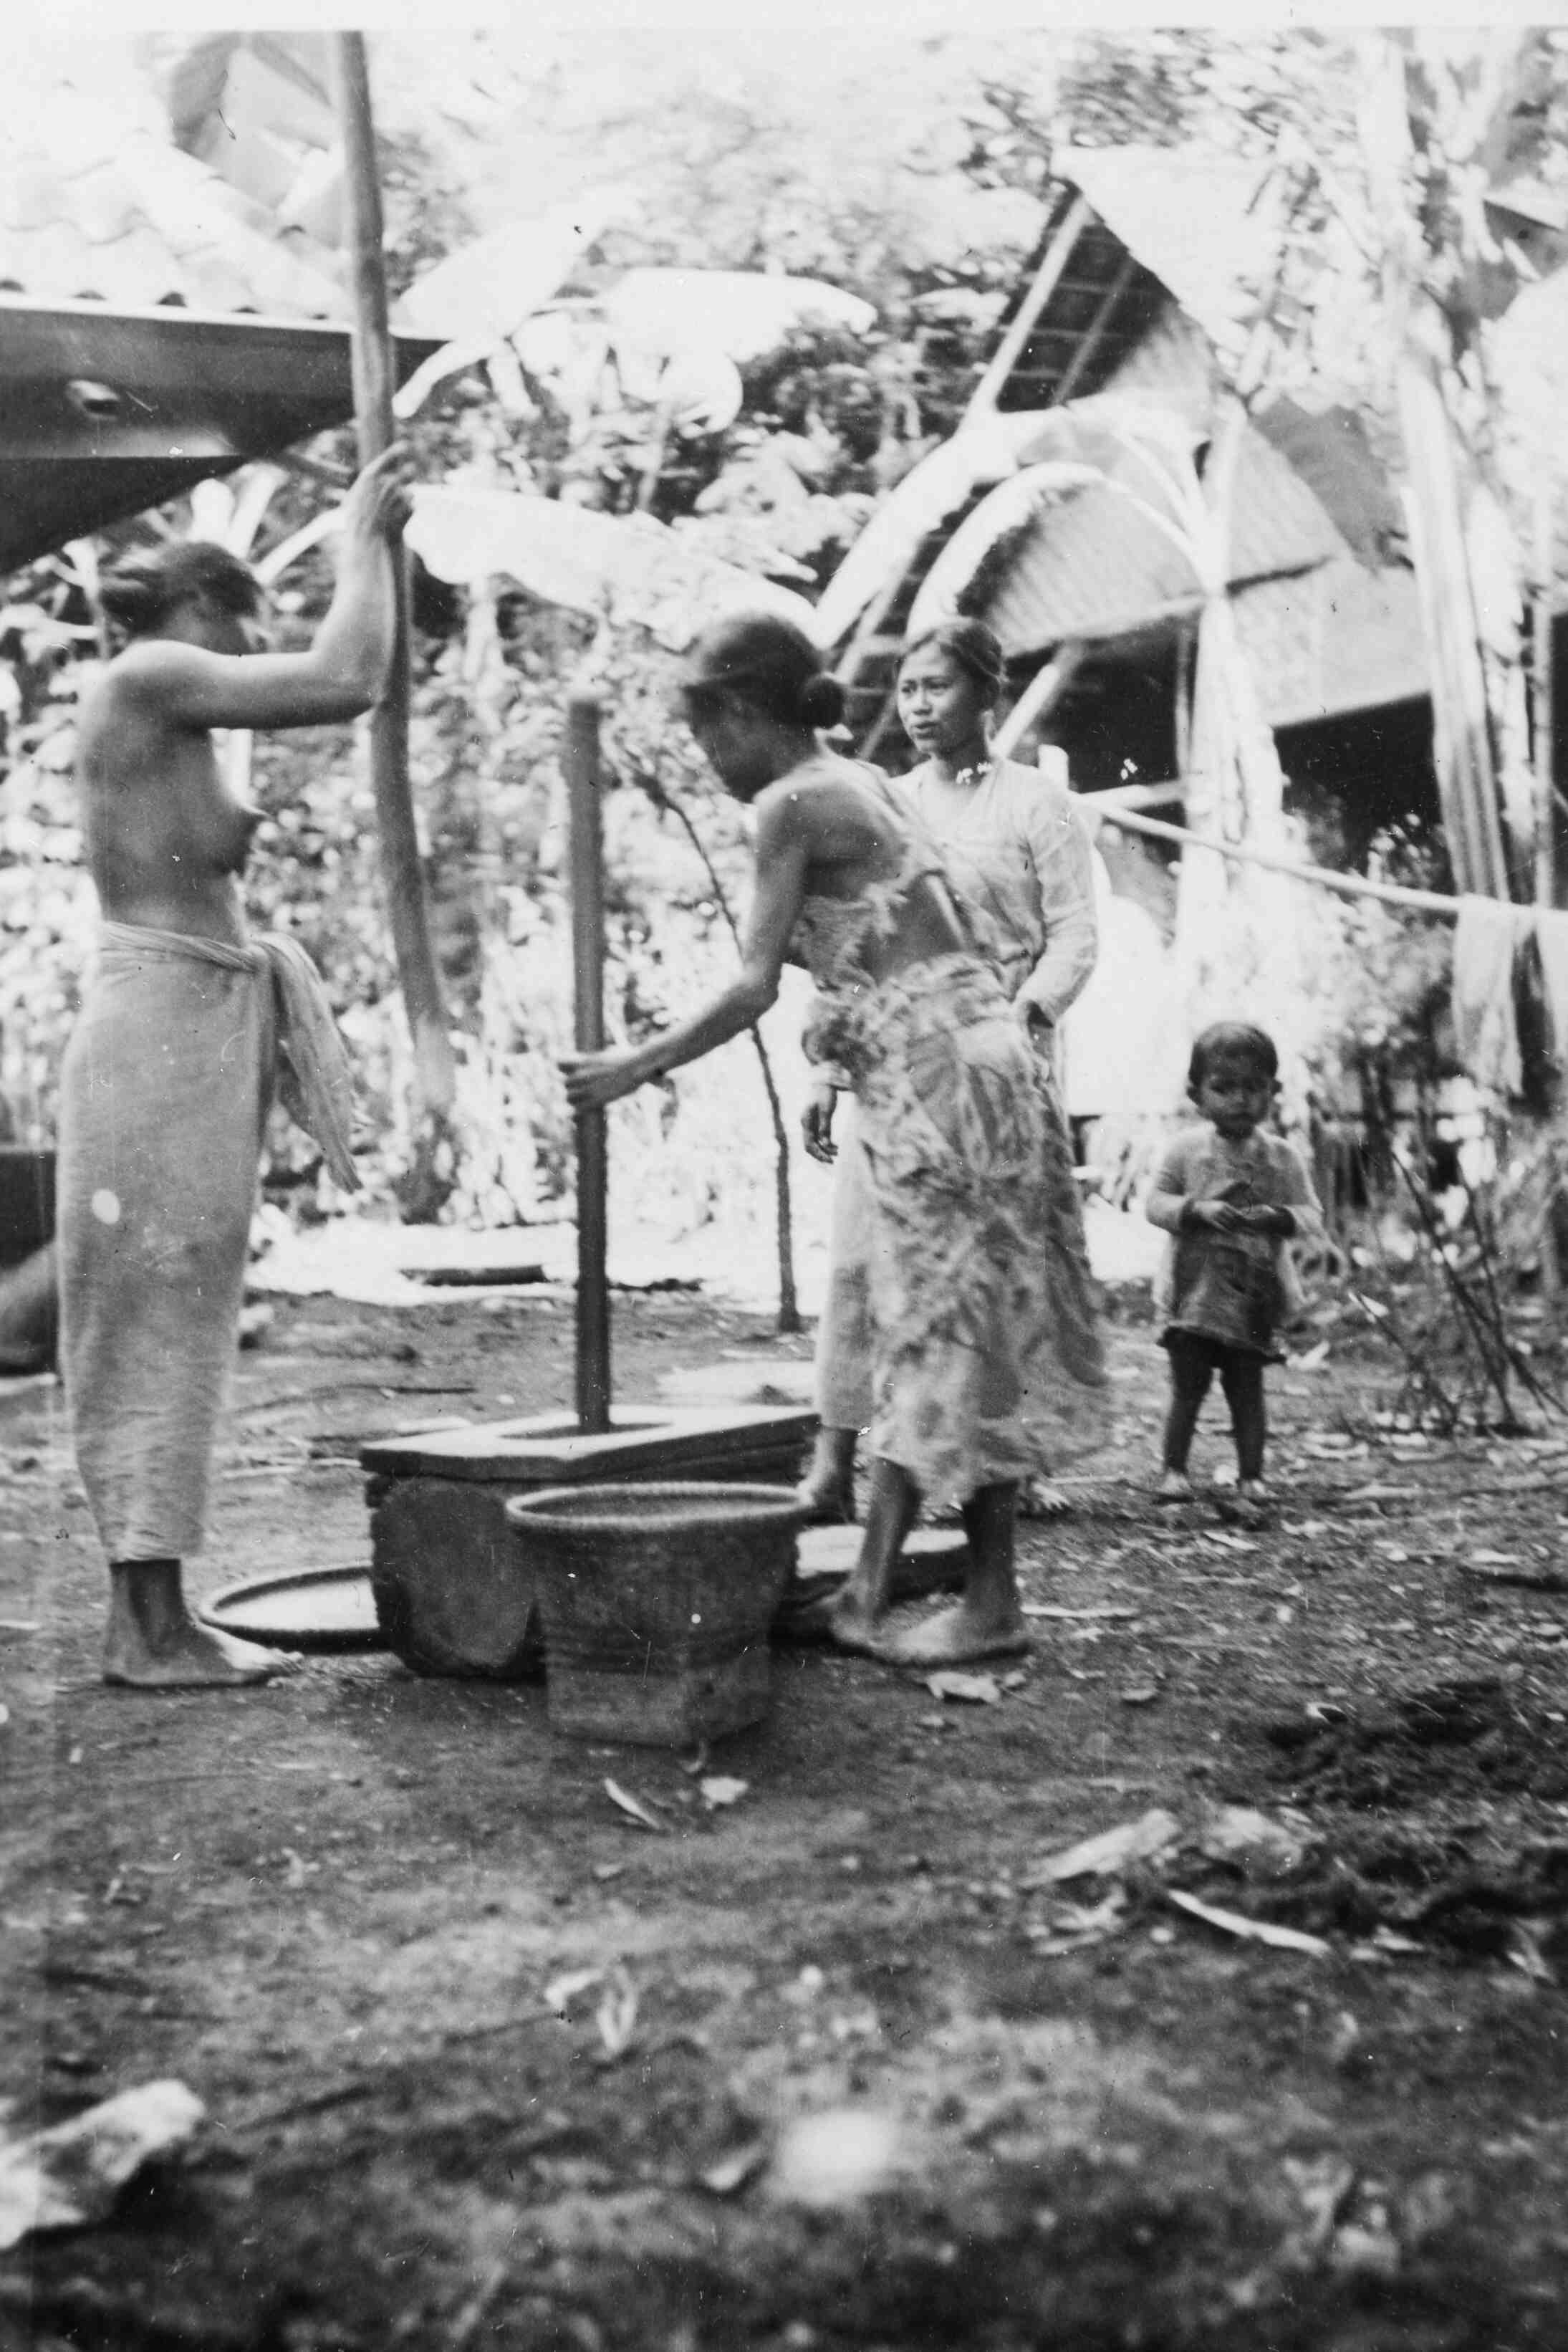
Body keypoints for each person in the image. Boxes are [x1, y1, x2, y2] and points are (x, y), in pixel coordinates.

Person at [561, 611, 1108, 1665]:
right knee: (951, 1313)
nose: (706, 763)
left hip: (936, 1074)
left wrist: (634, 1066)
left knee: (942, 1320)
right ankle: (875, 1588)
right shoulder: (867, 778)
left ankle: (983, 1604)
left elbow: (751, 983)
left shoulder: (790, 801)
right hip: (979, 1054)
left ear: (740, 715)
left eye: (705, 734)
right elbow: (902, 949)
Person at [61, 448, 412, 1688]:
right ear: (202, 607)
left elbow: (347, 677)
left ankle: (155, 1612)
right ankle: (143, 1624)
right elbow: (345, 678)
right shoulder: (148, 674)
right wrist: (361, 539)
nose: (239, 650)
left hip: (189, 1019)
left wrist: (379, 556)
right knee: (146, 1304)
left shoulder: (162, 699)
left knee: (183, 1306)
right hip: (156, 1021)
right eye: (237, 627)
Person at [797, 618, 1098, 1523]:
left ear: (987, 692)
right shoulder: (887, 803)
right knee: (861, 1252)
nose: (921, 706)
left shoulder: (1035, 802)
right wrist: (825, 1072)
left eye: (940, 687)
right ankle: (830, 1461)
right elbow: (857, 942)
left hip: (1000, 1056)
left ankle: (997, 1462)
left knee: (994, 1265)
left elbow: (1074, 932)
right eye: (908, 690)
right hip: (894, 1056)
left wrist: (1022, 1014)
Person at [1145, 1021, 1325, 1511]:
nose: (1239, 1100)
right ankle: (1174, 1469)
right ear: (1197, 1093)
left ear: (1273, 1090)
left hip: (1253, 1290)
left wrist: (1279, 1216)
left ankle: (1251, 1476)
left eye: (1253, 1087)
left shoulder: (1281, 1157)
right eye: (1223, 1088)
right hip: (1194, 1288)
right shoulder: (1185, 1149)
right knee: (1188, 1384)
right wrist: (1195, 1210)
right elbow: (1154, 1202)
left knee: (1247, 1386)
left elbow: (1312, 1214)